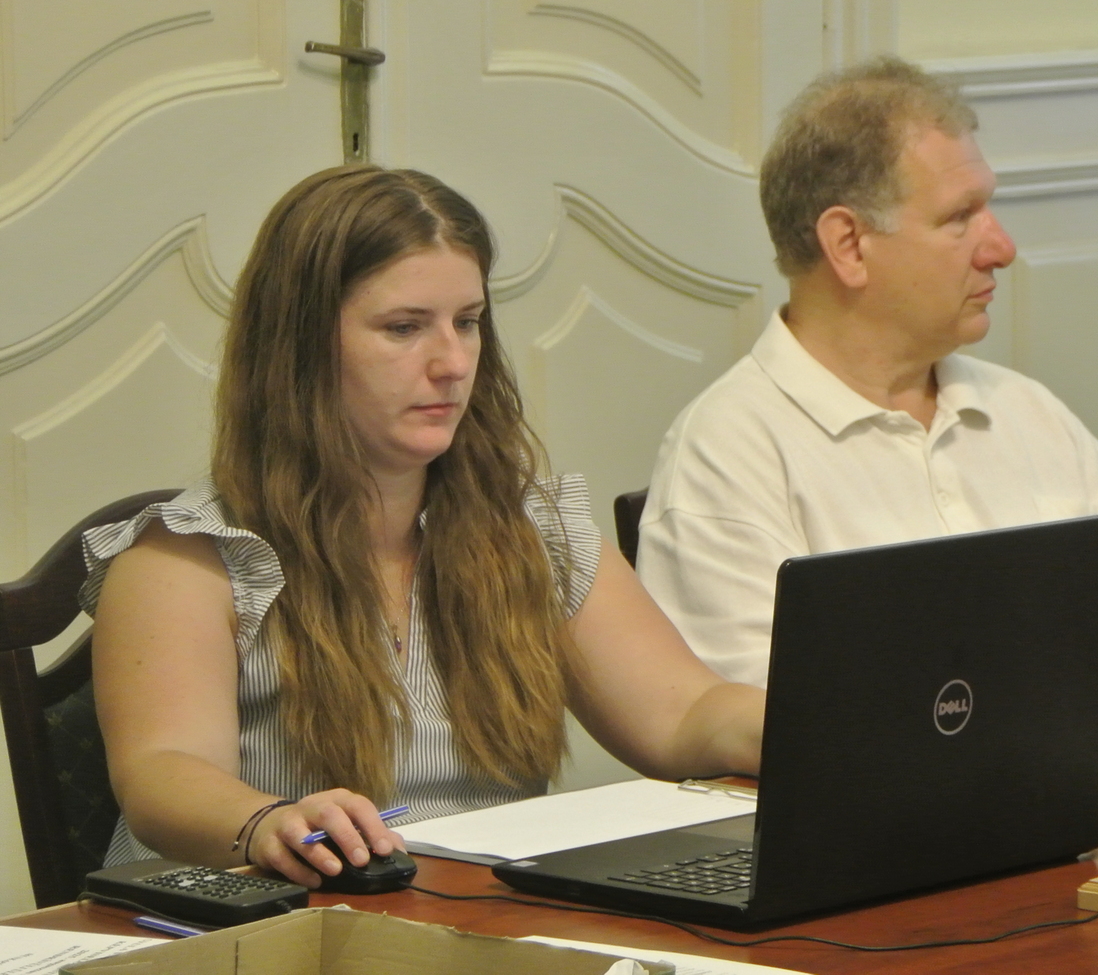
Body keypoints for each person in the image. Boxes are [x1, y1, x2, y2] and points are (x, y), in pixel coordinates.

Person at [85, 167, 763, 887]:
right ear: (298, 346)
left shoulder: (535, 530)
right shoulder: (186, 559)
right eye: (404, 328)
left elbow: (684, 714)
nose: (453, 363)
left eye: (467, 323)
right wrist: (266, 822)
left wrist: (818, 725)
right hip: (270, 918)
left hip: (476, 911)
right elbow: (163, 772)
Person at [638, 57, 1098, 715]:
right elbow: (770, 718)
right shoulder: (729, 453)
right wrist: (1067, 690)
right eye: (960, 217)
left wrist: (1090, 692)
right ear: (848, 244)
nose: (1002, 248)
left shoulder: (1029, 413)